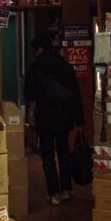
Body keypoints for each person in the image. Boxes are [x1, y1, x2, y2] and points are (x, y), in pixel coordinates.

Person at [24, 32, 85, 206]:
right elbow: (76, 95)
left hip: (45, 118)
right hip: (64, 117)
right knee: (64, 153)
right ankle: (67, 190)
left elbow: (29, 94)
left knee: (48, 156)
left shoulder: (35, 68)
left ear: (39, 49)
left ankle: (54, 194)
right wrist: (80, 121)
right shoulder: (65, 66)